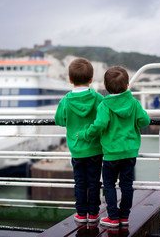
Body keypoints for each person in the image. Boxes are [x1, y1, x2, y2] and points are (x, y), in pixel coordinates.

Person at [77, 66, 150, 227]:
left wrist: (84, 135)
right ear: (127, 85)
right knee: (127, 185)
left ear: (105, 86)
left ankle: (112, 217)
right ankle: (124, 216)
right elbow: (144, 121)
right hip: (130, 152)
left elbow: (99, 125)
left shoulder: (105, 105)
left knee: (109, 185)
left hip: (110, 154)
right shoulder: (134, 103)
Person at [55, 58, 104, 223]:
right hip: (95, 148)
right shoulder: (98, 99)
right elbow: (104, 118)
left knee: (80, 182)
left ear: (70, 80)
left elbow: (59, 120)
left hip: (76, 149)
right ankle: (94, 213)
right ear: (91, 79)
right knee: (94, 182)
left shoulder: (66, 100)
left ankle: (81, 214)